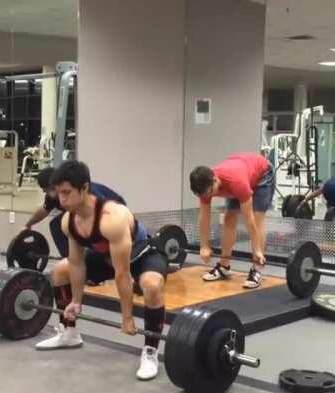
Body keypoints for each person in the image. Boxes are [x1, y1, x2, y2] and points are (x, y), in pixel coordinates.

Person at [35, 161, 168, 381]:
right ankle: (69, 333)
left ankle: (151, 351)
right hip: (107, 255)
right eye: (59, 193)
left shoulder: (112, 217)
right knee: (60, 270)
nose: (62, 200)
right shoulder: (69, 221)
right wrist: (76, 301)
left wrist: (127, 316)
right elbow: (77, 264)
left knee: (152, 286)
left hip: (143, 253)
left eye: (67, 193)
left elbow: (122, 273)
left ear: (85, 188)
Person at [189, 152, 275, 289]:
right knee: (229, 218)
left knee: (257, 218)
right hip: (241, 170)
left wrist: (257, 250)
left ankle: (257, 268)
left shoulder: (237, 183)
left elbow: (249, 219)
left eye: (210, 193)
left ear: (215, 180)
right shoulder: (204, 186)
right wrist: (204, 246)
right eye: (205, 195)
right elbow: (204, 217)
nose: (209, 196)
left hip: (262, 174)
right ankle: (224, 266)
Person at [24, 167, 126, 257]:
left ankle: (96, 255)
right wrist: (29, 224)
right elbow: (44, 210)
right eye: (44, 190)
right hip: (89, 217)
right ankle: (69, 258)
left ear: (54, 185)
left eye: (46, 189)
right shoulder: (53, 196)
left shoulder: (86, 191)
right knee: (57, 224)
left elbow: (104, 211)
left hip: (116, 213)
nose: (45, 193)